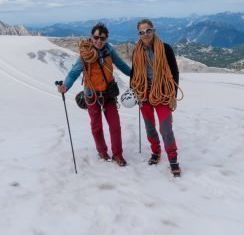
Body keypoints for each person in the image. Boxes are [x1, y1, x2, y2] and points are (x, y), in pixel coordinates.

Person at [57, 22, 131, 166]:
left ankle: (117, 155)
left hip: (108, 94)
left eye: (102, 38)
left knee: (115, 126)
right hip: (92, 95)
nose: (98, 41)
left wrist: (134, 75)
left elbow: (121, 65)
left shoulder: (109, 50)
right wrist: (65, 86)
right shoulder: (86, 55)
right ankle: (102, 151)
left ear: (106, 38)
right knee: (96, 126)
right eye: (96, 37)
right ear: (91, 37)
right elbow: (74, 72)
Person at [130, 18, 182, 176]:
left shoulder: (165, 49)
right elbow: (134, 73)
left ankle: (173, 159)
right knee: (149, 126)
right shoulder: (136, 51)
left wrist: (172, 94)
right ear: (138, 34)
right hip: (144, 92)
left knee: (165, 127)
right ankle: (156, 151)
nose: (145, 34)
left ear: (153, 31)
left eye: (148, 31)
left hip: (162, 93)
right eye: (141, 32)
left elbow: (174, 72)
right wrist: (134, 91)